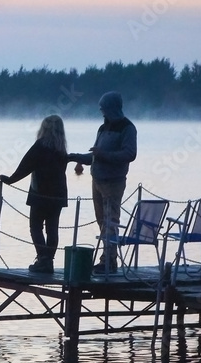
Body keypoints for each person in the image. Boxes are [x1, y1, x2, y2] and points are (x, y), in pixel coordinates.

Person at [68, 91, 138, 274]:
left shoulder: (127, 128)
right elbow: (95, 156)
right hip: (97, 181)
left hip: (113, 182)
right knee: (102, 221)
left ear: (112, 108)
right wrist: (74, 157)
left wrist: (104, 155)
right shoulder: (102, 129)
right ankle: (107, 259)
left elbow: (130, 154)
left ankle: (109, 261)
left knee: (111, 221)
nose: (102, 112)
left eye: (104, 109)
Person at [0, 115, 72, 274]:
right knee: (52, 228)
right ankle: (49, 261)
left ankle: (43, 259)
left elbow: (25, 165)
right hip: (58, 195)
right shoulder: (61, 150)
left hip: (41, 194)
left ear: (44, 129)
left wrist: (11, 180)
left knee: (36, 227)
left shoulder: (40, 146)